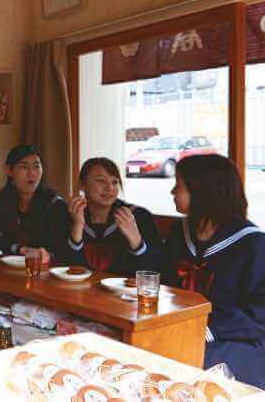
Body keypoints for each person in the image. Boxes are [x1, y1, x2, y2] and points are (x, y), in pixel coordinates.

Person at [163, 154, 265, 388]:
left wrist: (206, 327)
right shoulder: (181, 233)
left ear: (202, 192)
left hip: (237, 338)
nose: (172, 192)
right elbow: (165, 285)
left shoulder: (253, 245)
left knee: (185, 362)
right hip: (183, 327)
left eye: (179, 185)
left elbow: (258, 317)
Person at [63, 158, 162, 275]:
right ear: (82, 185)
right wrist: (77, 227)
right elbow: (65, 269)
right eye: (100, 181)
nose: (109, 188)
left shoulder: (138, 216)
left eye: (114, 182)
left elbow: (156, 270)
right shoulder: (71, 216)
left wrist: (137, 242)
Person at [0, 145, 68, 263]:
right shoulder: (2, 200)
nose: (32, 173)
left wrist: (46, 255)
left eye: (36, 166)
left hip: (43, 271)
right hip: (9, 270)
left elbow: (63, 252)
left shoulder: (55, 205)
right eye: (24, 167)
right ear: (9, 170)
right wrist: (20, 249)